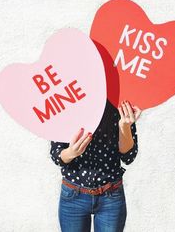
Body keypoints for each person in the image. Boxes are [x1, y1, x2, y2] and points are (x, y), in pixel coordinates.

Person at [50, 99, 142, 232]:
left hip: (111, 195)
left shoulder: (120, 100)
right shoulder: (66, 99)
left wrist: (125, 126)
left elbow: (128, 156)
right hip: (73, 195)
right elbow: (56, 154)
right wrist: (71, 152)